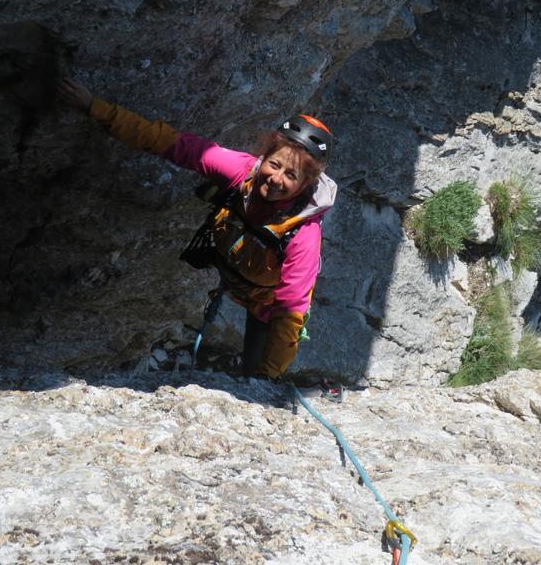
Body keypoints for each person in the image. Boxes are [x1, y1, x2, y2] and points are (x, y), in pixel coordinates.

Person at [58, 78, 337, 381]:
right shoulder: (242, 172)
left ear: (305, 184)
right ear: (264, 157)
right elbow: (169, 142)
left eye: (291, 175)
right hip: (236, 270)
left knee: (256, 378)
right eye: (274, 164)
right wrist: (95, 107)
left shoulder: (303, 236)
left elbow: (290, 311)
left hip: (267, 305)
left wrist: (266, 380)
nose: (275, 178)